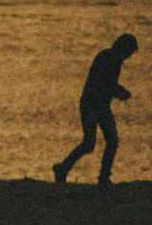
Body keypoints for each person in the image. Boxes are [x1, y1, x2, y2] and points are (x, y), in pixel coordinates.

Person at [53, 33, 138, 186]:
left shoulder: (111, 59)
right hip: (91, 104)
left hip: (100, 105)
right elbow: (103, 85)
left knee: (107, 141)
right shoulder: (107, 59)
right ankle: (68, 169)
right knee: (92, 143)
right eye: (129, 52)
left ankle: (98, 175)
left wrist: (118, 92)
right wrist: (120, 93)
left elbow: (107, 85)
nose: (129, 56)